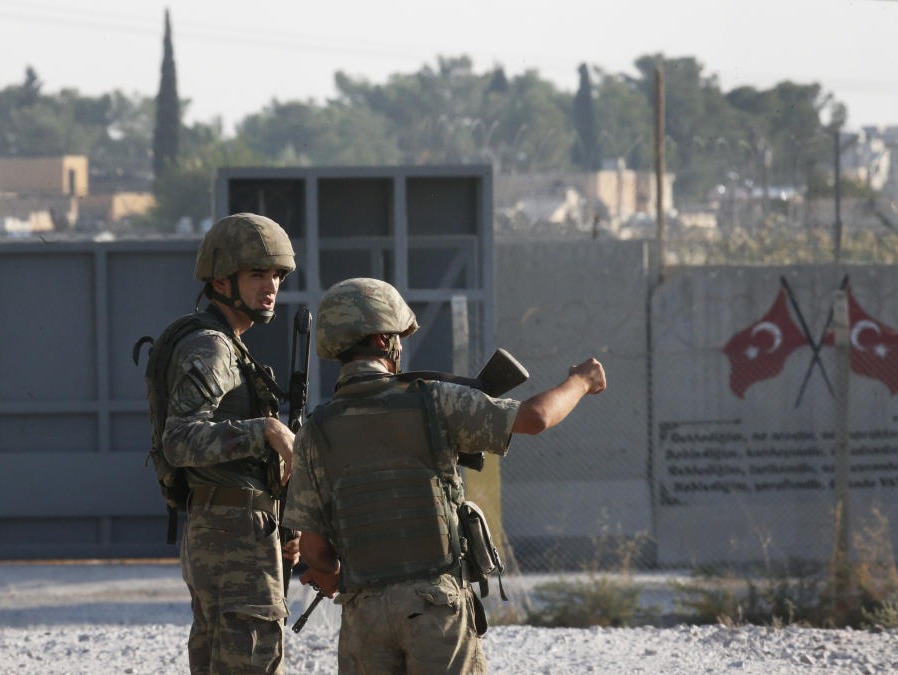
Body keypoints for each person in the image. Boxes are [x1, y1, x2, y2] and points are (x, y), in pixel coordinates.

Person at [282, 277, 607, 674]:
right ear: (384, 342)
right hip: (435, 608)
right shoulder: (434, 400)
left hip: (363, 614)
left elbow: (315, 551)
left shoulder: (315, 430)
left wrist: (332, 576)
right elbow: (535, 418)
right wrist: (581, 381)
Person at [158, 213, 300, 674]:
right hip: (231, 531)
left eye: (277, 275)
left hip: (235, 526)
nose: (271, 286)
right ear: (221, 281)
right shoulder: (212, 346)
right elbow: (178, 439)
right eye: (257, 274)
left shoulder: (229, 344)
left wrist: (285, 522)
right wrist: (265, 431)